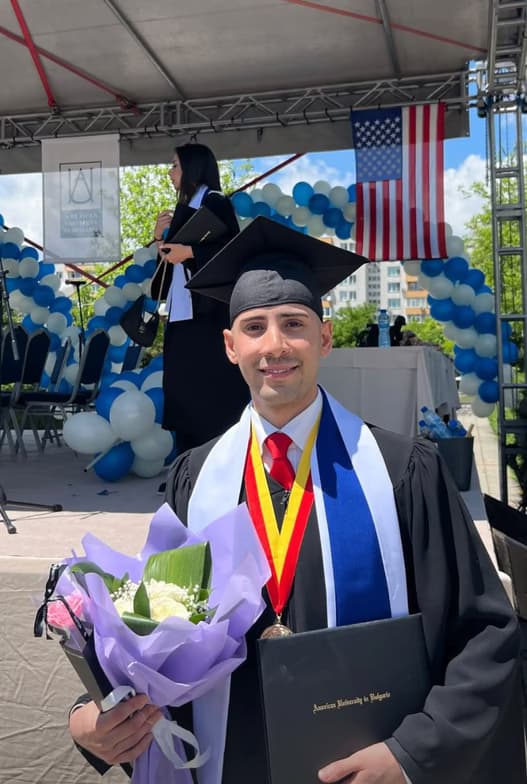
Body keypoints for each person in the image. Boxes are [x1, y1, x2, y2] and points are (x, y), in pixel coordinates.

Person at [69, 218, 525, 784]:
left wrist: (412, 756)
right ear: (231, 346)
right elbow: (160, 632)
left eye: (294, 324)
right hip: (231, 762)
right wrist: (92, 716)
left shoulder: (402, 470)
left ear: (325, 338)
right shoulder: (196, 476)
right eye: (255, 327)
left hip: (362, 765)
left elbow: (486, 634)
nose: (275, 346)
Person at [150, 142, 249, 454]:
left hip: (207, 316)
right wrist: (159, 239)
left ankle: (214, 465)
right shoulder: (185, 209)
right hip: (181, 316)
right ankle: (186, 466)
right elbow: (165, 272)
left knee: (209, 395)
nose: (170, 172)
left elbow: (233, 252)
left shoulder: (214, 201)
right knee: (182, 394)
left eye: (175, 165)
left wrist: (191, 252)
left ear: (192, 168)